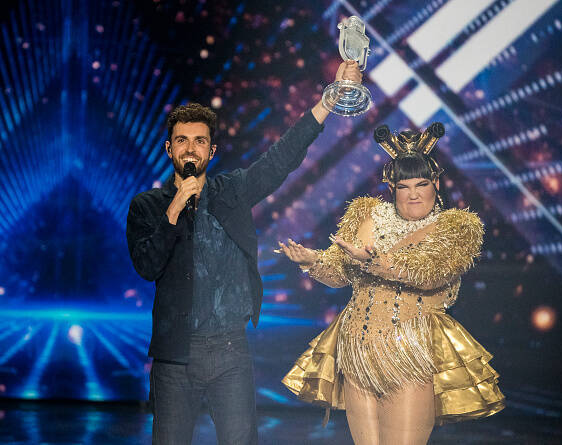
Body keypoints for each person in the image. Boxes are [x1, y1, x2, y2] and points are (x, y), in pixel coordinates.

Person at [126, 60, 363, 445]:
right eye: (182, 140)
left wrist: (328, 101)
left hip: (229, 351)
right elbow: (147, 266)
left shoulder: (231, 191)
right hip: (175, 356)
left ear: (212, 150)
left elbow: (280, 159)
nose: (191, 148)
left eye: (199, 140)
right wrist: (174, 209)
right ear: (169, 149)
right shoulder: (147, 206)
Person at [278, 122, 505, 445]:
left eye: (421, 184)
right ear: (392, 188)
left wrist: (373, 261)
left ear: (436, 184)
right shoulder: (368, 216)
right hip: (356, 347)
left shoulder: (455, 227)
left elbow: (431, 274)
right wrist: (311, 261)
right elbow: (339, 273)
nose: (413, 194)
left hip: (410, 350)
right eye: (403, 186)